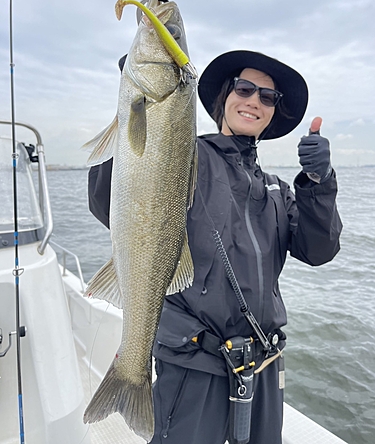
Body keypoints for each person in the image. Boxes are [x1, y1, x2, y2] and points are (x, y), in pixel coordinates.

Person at [88, 50, 342, 444]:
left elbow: (319, 249)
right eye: (245, 88)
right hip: (192, 367)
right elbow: (107, 198)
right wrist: (135, 107)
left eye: (268, 97)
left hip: (263, 366)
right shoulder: (184, 156)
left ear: (274, 112)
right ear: (225, 96)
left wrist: (318, 180)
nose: (255, 100)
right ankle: (129, 377)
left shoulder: (278, 190)